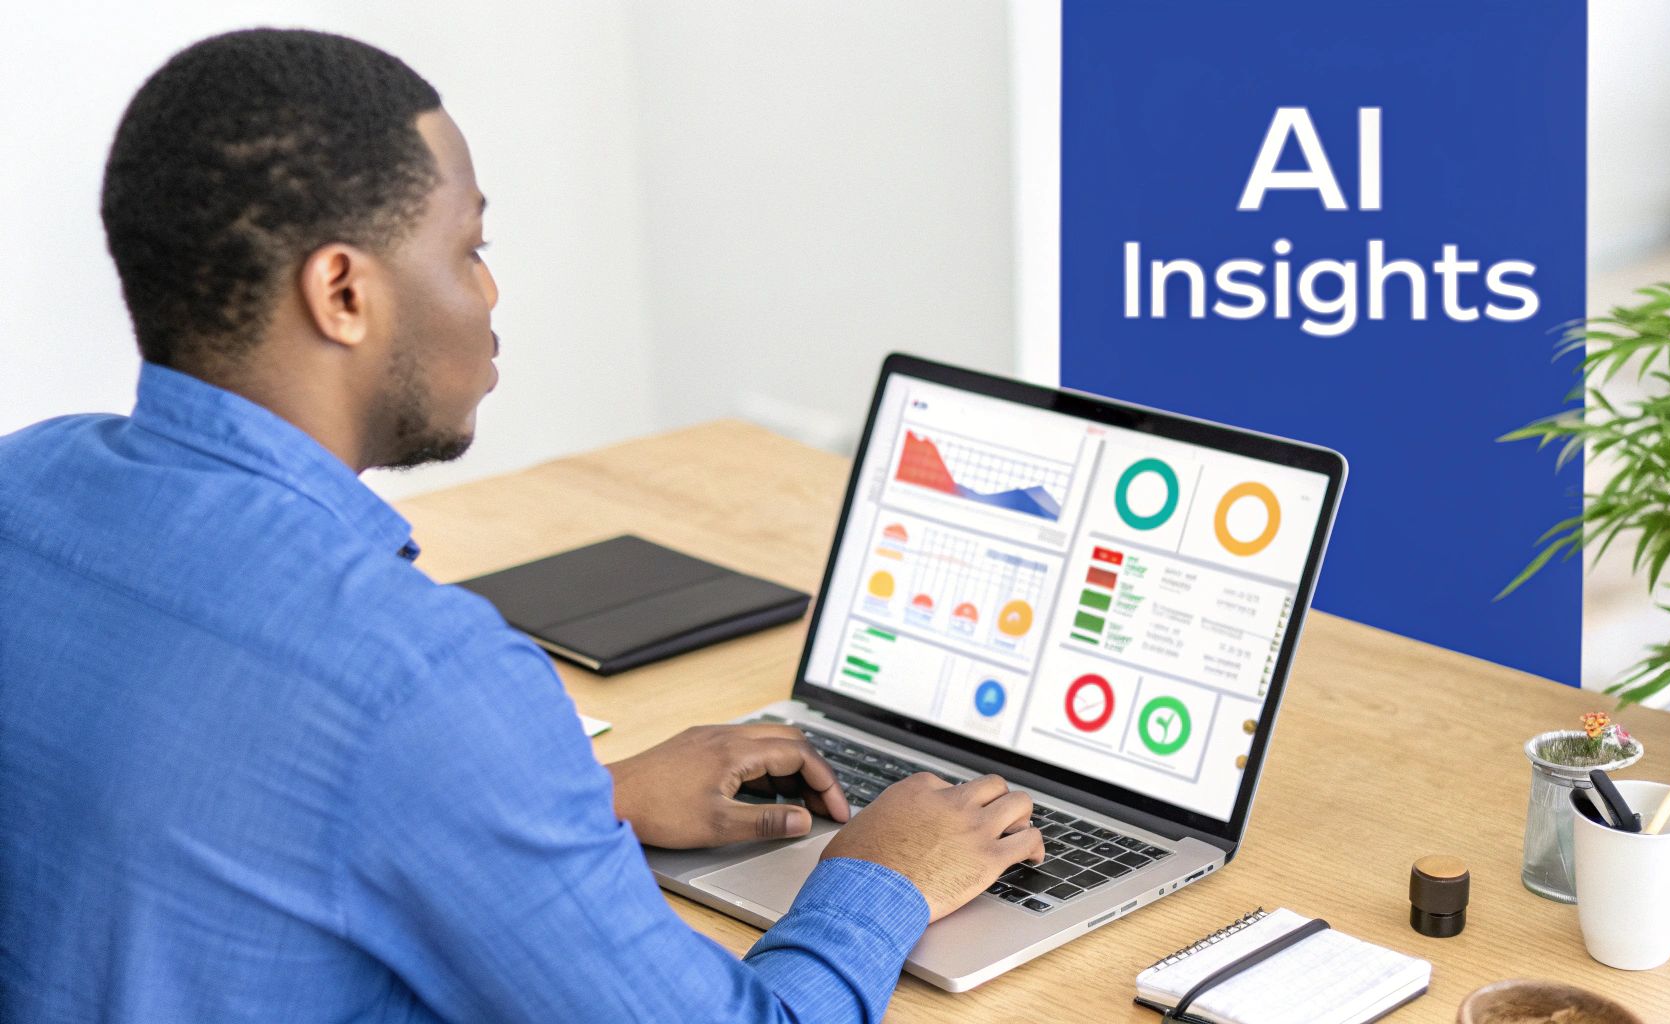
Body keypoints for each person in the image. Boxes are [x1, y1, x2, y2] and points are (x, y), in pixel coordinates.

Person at [0, 28, 1043, 1023]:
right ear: (343, 292)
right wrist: (880, 872)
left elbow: (225, 802)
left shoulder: (25, 483)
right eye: (470, 248)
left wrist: (580, 800)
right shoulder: (419, 678)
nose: (491, 291)